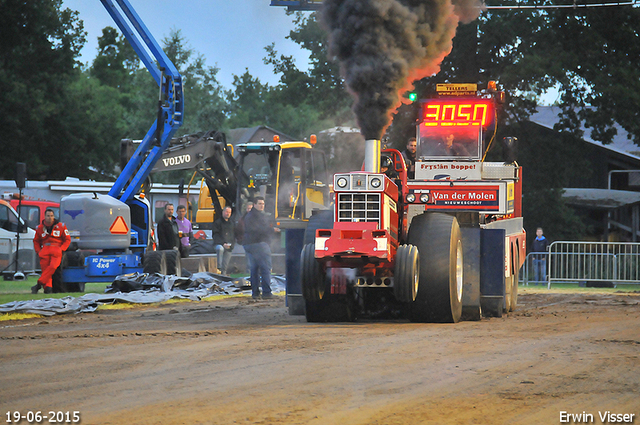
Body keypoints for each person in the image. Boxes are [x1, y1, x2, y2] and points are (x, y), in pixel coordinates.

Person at [243, 197, 280, 299]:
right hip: (259, 244)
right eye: (259, 204)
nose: (262, 206)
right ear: (254, 204)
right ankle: (267, 292)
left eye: (263, 204)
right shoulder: (257, 216)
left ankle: (255, 293)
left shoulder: (249, 216)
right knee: (265, 268)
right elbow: (260, 229)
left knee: (254, 269)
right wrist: (272, 230)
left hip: (249, 244)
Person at [32, 208, 70, 294]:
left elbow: (67, 239)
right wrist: (38, 251)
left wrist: (62, 249)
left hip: (56, 249)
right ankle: (48, 288)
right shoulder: (40, 228)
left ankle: (38, 284)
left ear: (54, 216)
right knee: (46, 270)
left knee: (53, 267)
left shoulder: (61, 226)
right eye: (48, 216)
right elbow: (36, 241)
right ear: (45, 216)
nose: (50, 217)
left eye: (52, 216)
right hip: (44, 250)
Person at [212, 206, 235, 275]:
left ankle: (223, 275)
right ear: (223, 212)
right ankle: (219, 267)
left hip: (229, 246)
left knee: (225, 265)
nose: (228, 214)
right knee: (220, 248)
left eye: (229, 212)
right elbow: (215, 235)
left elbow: (233, 236)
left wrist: (231, 245)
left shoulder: (232, 224)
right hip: (218, 244)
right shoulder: (217, 223)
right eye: (226, 212)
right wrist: (222, 243)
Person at [235, 202, 254, 273]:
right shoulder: (242, 219)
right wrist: (241, 239)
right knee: (248, 256)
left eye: (251, 208)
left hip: (256, 240)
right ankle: (249, 271)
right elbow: (238, 230)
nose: (249, 210)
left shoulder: (257, 218)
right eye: (248, 208)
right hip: (246, 241)